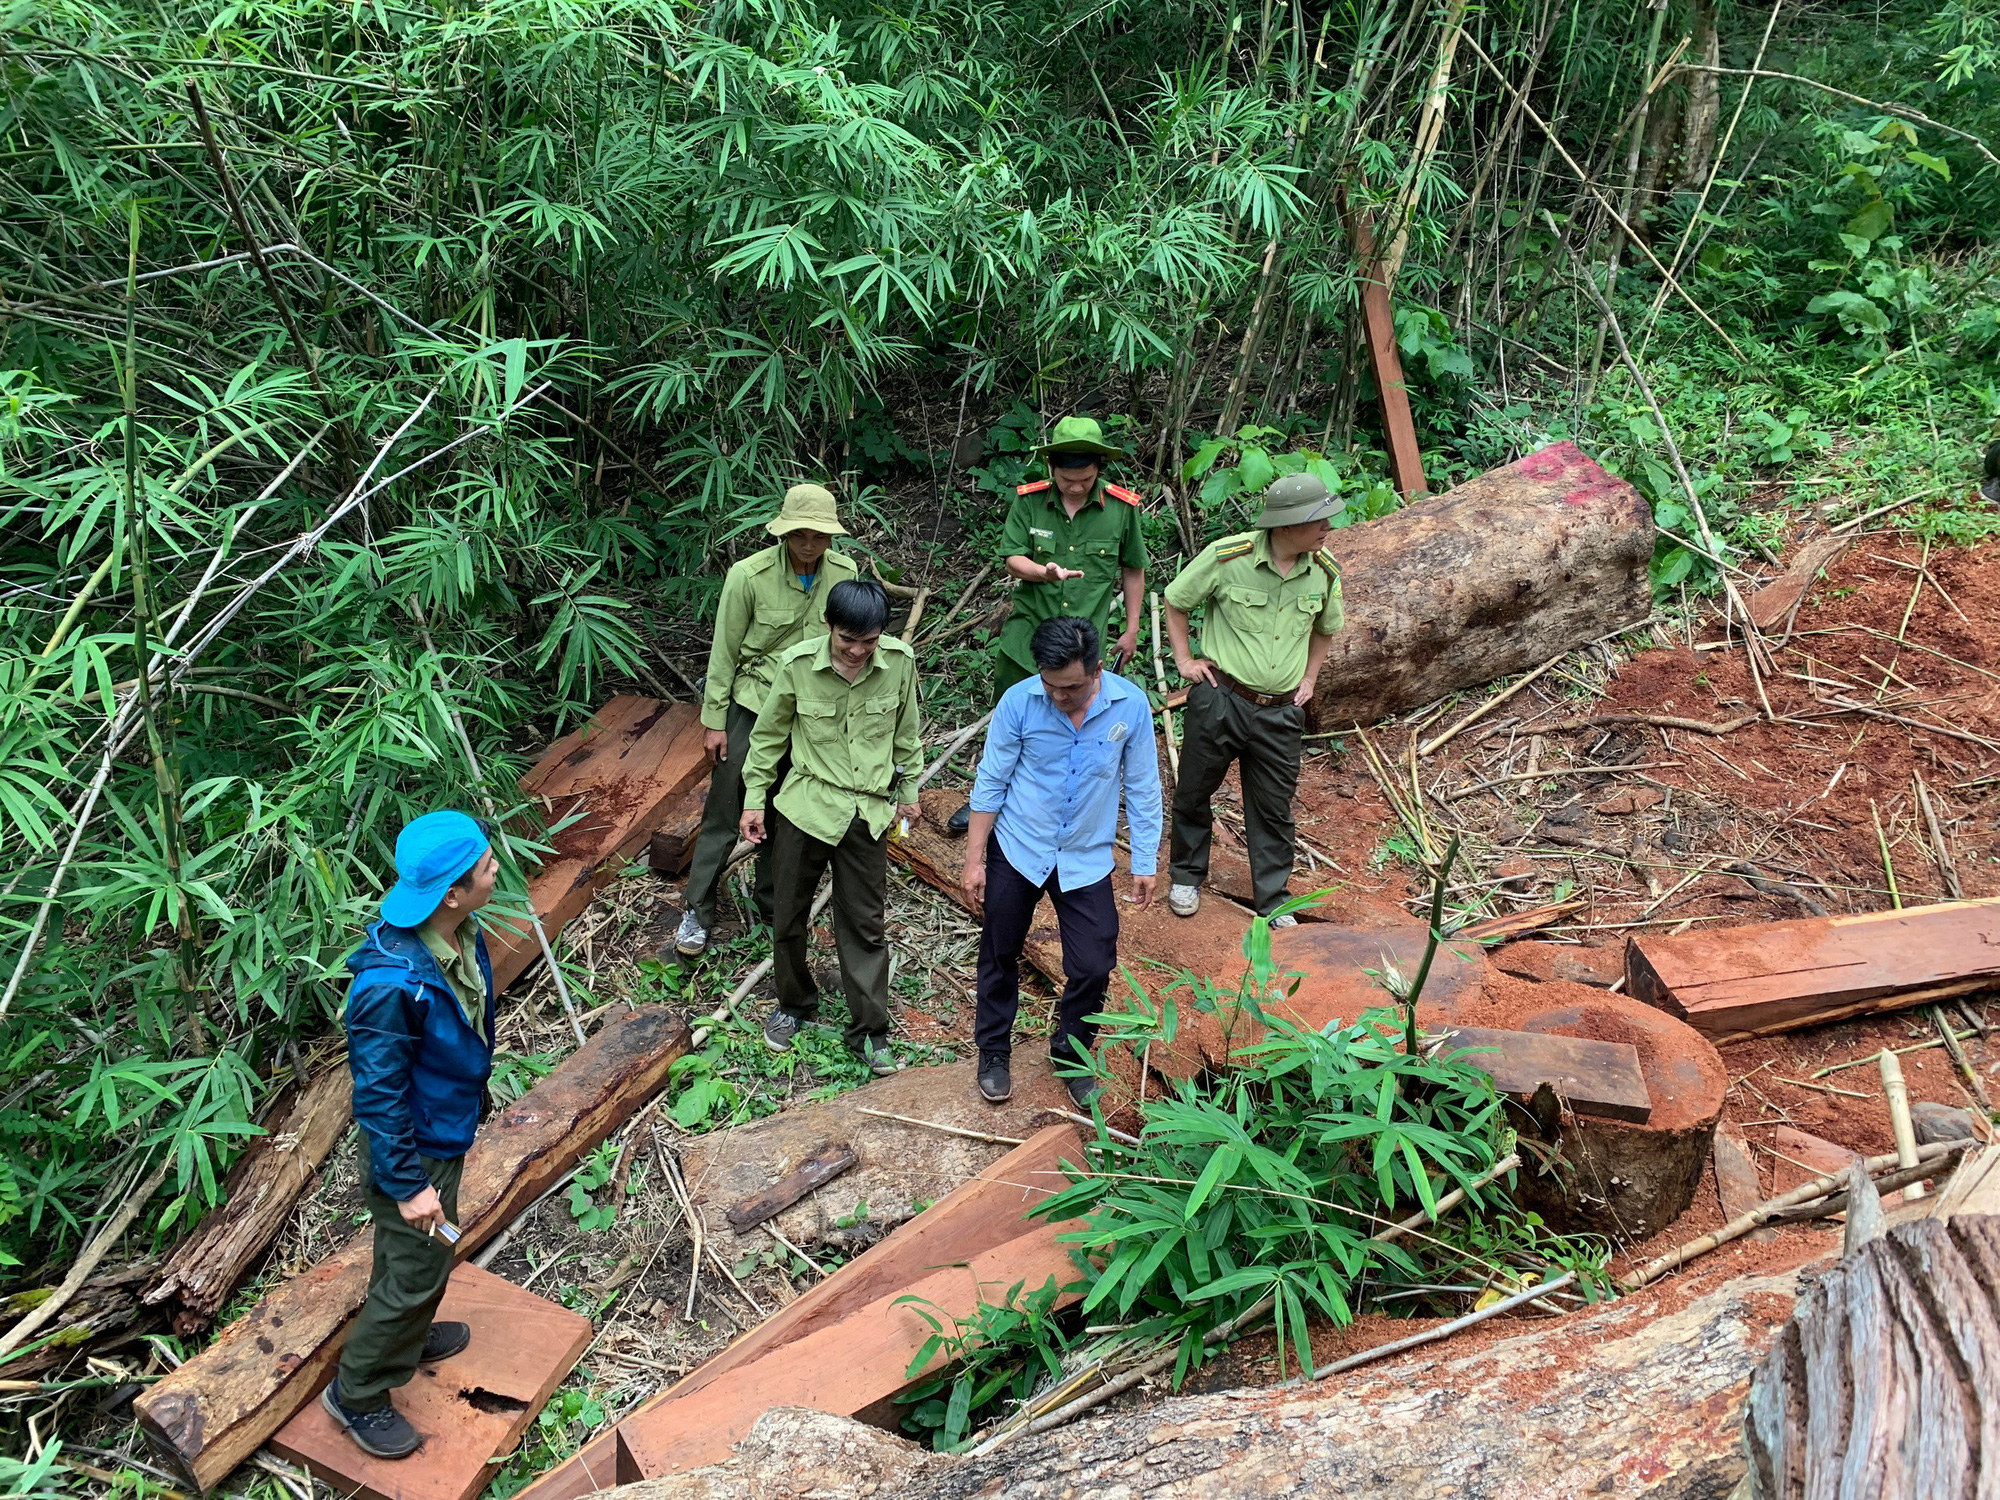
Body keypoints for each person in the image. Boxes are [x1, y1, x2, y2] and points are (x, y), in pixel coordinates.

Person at [323, 811, 500, 1459]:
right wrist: (407, 1184)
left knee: (418, 1257)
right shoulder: (390, 985)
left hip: (442, 1128)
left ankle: (409, 1328)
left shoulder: (457, 933)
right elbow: (377, 1096)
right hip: (413, 1147)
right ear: (451, 891)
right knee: (417, 1269)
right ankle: (360, 1391)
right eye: (485, 865)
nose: (496, 870)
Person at [961, 616, 1162, 1109]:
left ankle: (1071, 1054)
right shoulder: (1020, 702)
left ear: (1096, 670)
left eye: (1070, 688)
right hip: (1019, 846)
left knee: (1093, 965)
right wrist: (974, 860)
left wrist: (1145, 858)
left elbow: (1141, 785)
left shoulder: (1130, 706)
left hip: (1086, 856)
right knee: (1000, 951)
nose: (1058, 697)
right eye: (1050, 686)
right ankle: (993, 1051)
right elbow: (992, 783)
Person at [740, 579, 921, 1076]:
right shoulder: (797, 665)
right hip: (806, 807)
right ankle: (794, 1005)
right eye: (848, 641)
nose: (859, 651)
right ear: (829, 627)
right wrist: (754, 801)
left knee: (864, 923)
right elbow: (768, 738)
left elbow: (906, 733)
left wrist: (909, 796)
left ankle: (870, 1031)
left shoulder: (900, 663)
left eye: (870, 641)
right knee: (786, 911)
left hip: (868, 813)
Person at [676, 483, 859, 957]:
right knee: (725, 807)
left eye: (818, 536)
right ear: (784, 532)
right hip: (753, 703)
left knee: (786, 808)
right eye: (800, 534)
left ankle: (772, 903)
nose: (808, 545)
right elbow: (724, 652)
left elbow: (850, 644)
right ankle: (697, 907)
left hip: (810, 710)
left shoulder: (845, 572)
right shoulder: (748, 575)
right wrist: (715, 721)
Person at [947, 416, 1148, 836]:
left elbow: (1133, 569)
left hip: (1081, 647)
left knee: (1075, 723)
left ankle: (1062, 806)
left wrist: (1131, 629)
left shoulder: (1121, 510)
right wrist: (1043, 572)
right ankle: (989, 800)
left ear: (1099, 470)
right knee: (1009, 721)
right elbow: (1011, 558)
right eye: (1067, 479)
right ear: (1052, 468)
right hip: (1026, 638)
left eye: (1086, 479)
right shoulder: (1030, 501)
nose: (1075, 487)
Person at [1162, 473, 1345, 924]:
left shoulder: (1324, 570)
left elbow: (1326, 628)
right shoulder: (1230, 557)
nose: (1328, 528)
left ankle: (1273, 899)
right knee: (1194, 790)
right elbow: (1176, 600)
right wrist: (1184, 661)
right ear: (1286, 526)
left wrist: (1310, 678)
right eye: (1318, 520)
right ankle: (1186, 876)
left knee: (1273, 807)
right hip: (1220, 698)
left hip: (1281, 711)